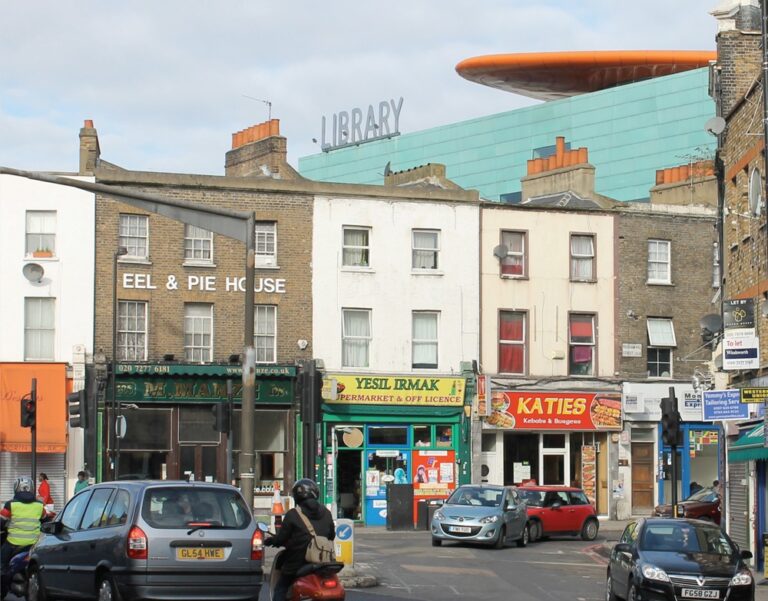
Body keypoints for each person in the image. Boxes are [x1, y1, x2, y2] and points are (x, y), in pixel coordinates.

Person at [264, 479, 335, 601]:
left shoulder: (293, 514)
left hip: (297, 562)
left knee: (281, 586)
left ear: (296, 496)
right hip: (323, 561)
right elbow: (331, 536)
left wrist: (271, 541)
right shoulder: (327, 513)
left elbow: (281, 538)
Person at [1, 477, 51, 597]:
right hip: (33, 545)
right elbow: (47, 521)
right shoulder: (39, 506)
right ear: (32, 488)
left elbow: (1, 522)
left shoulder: (10, 505)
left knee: (1, 564)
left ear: (16, 488)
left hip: (13, 544)